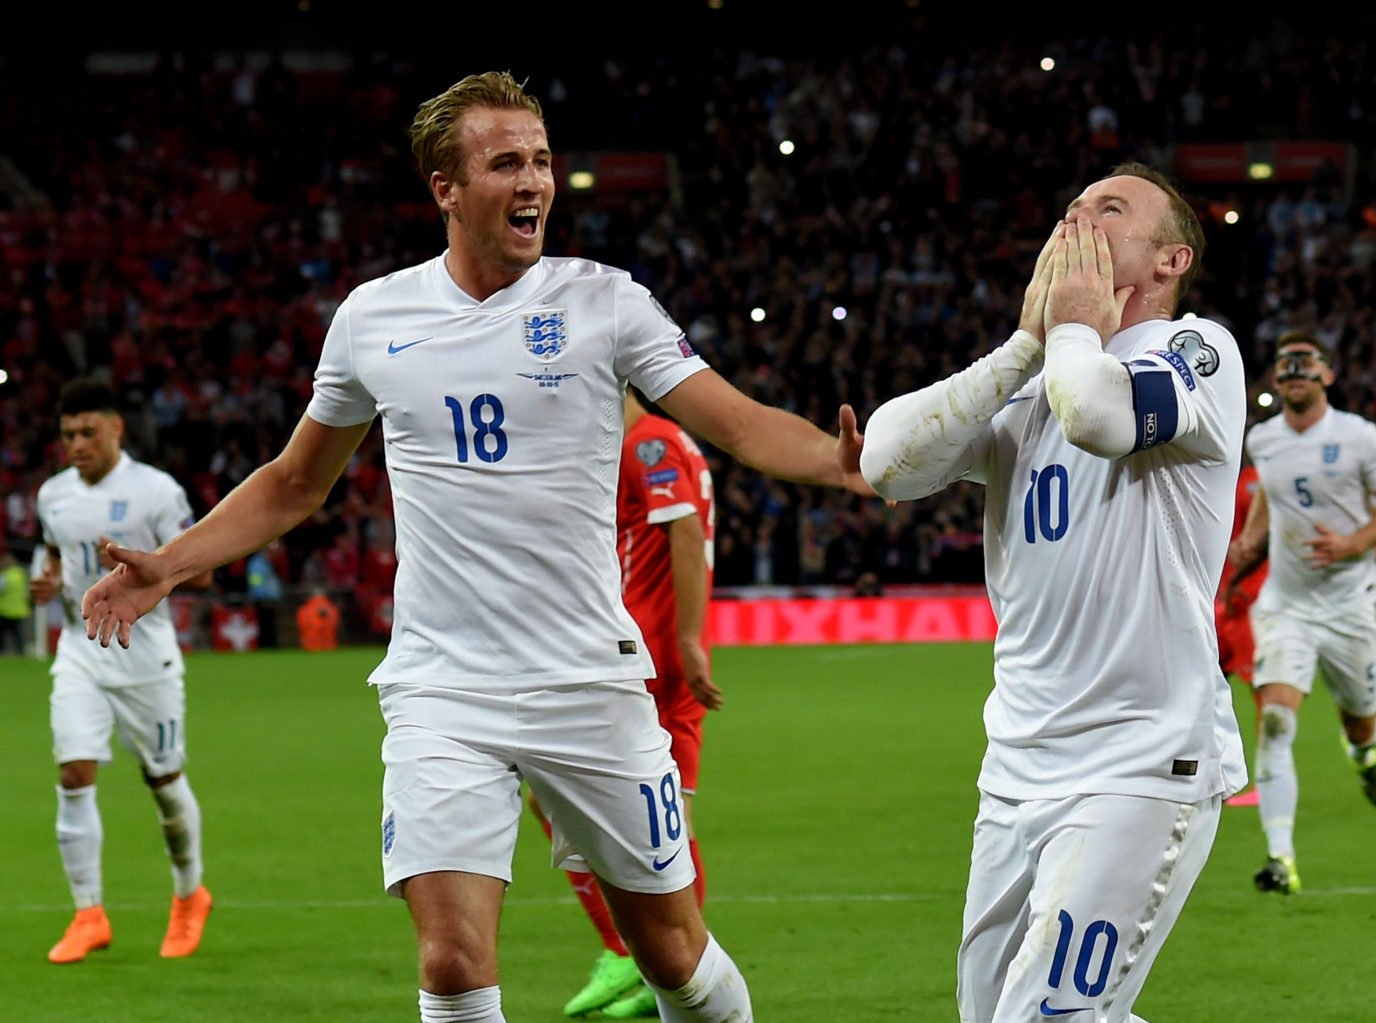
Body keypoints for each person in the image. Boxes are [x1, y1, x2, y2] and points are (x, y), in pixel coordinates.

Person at [81, 71, 869, 1023]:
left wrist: (838, 462)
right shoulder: (374, 319)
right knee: (453, 964)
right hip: (442, 688)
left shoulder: (606, 303)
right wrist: (171, 561)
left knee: (671, 952)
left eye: (540, 160)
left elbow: (739, 425)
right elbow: (296, 483)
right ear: (445, 188)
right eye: (505, 163)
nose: (532, 179)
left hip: (588, 680)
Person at [861, 163, 1248, 1023]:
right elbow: (886, 460)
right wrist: (1025, 346)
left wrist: (1069, 332)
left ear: (1169, 261)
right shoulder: (1036, 376)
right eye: (1073, 207)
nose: (1078, 218)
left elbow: (1101, 418)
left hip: (1140, 759)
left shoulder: (1197, 349)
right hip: (1019, 763)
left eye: (1110, 209)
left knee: (1047, 1016)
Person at [535, 387, 721, 1019]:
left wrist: (688, 641)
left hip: (646, 656)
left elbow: (688, 533)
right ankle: (668, 961)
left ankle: (638, 952)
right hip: (652, 650)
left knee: (557, 792)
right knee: (665, 813)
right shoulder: (646, 445)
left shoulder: (649, 443)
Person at [30, 378, 215, 963]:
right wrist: (49, 578)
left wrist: (151, 572)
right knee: (74, 773)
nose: (77, 444)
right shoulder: (51, 495)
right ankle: (89, 913)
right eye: (67, 435)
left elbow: (202, 571)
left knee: (163, 783)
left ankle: (190, 895)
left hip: (146, 658)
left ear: (116, 429)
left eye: (88, 432)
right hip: (81, 651)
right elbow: (54, 552)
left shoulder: (155, 492)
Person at [1226, 333, 1376, 895]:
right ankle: (1281, 858)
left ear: (1328, 377)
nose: (1295, 372)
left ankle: (1362, 753)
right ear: (1277, 382)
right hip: (1287, 604)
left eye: (1307, 365)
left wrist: (1355, 543)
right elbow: (1269, 502)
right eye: (1285, 366)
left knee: (1360, 718)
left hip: (1350, 604)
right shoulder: (1264, 440)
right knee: (1277, 719)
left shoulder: (1359, 437)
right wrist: (1247, 546)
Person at [1216, 457, 1268, 807]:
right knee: (1202, 684)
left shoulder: (1260, 480)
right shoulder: (1213, 469)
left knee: (1263, 689)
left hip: (1252, 592)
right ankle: (1211, 771)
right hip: (1216, 594)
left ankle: (1267, 780)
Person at [0, 549, 30, 654]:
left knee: (2, 636)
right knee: (18, 636)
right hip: (19, 611)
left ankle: (3, 653)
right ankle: (21, 653)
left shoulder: (5, 575)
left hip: (5, 612)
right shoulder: (20, 573)